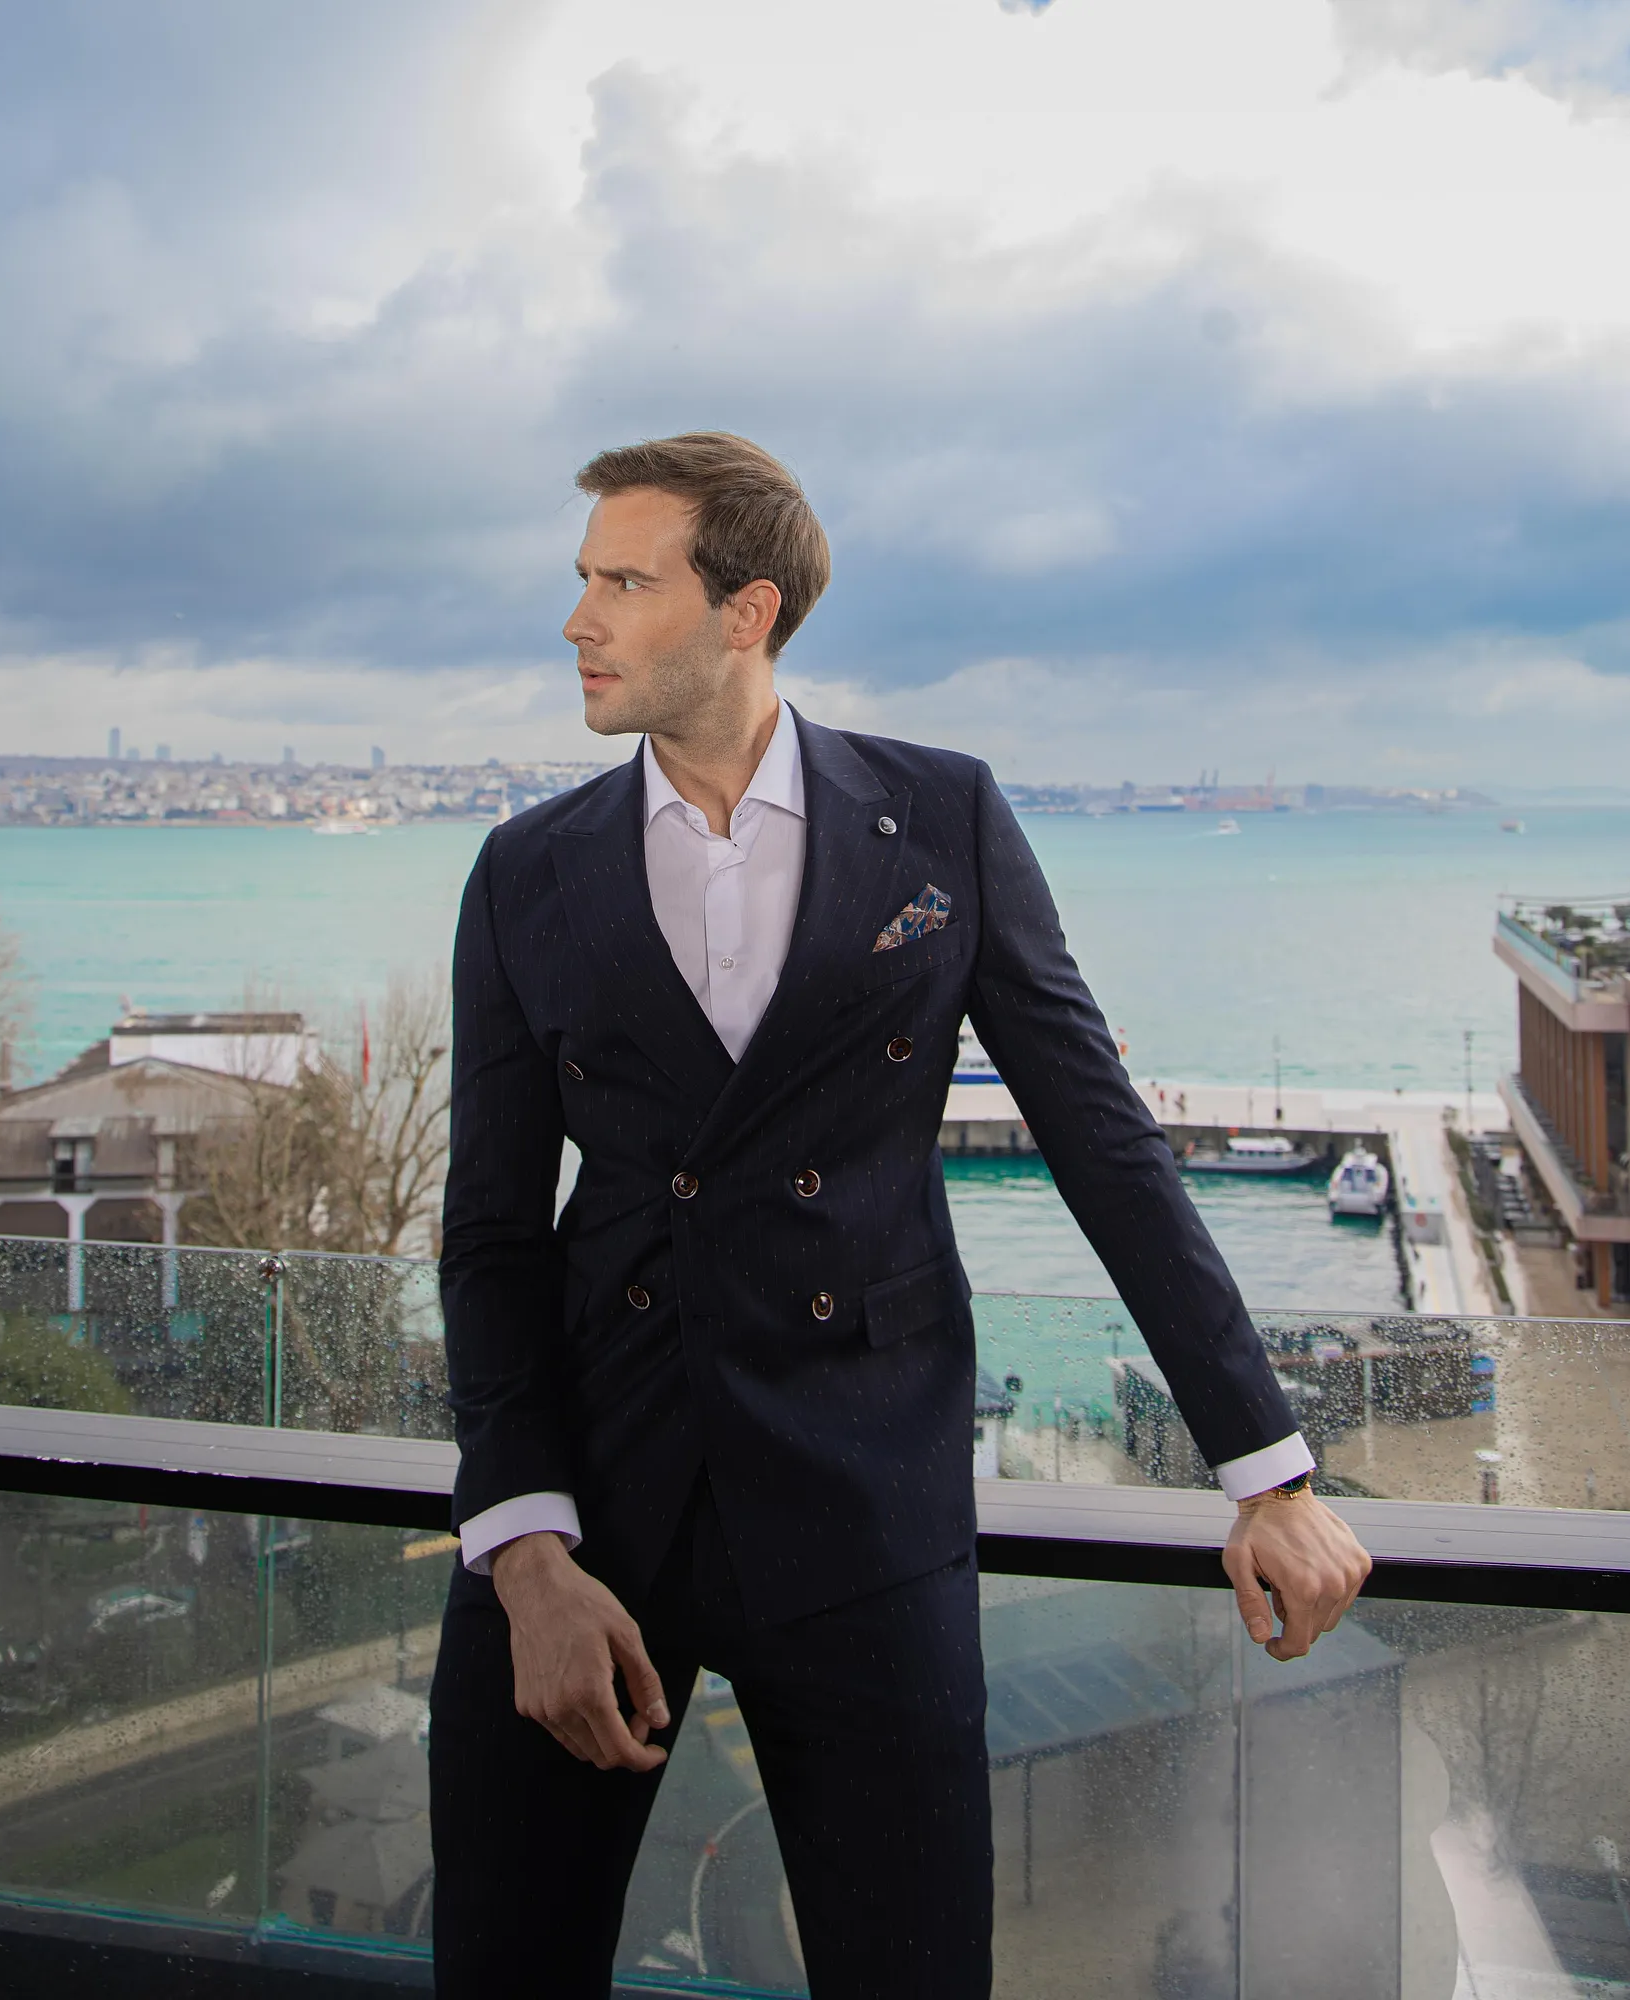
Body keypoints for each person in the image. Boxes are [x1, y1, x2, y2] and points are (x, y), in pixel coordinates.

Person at [431, 432, 1371, 1998]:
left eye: (623, 582)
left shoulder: (942, 818)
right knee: (506, 1966)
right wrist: (524, 1548)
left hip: (862, 1503)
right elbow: (489, 1234)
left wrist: (1266, 1468)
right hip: (590, 1504)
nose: (578, 620)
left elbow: (1104, 1146)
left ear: (748, 611)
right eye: (583, 580)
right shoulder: (525, 871)